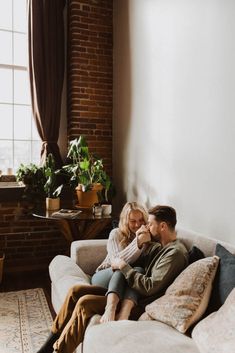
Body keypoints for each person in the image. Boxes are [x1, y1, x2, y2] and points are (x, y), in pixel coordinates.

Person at [37, 201, 150, 353]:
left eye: (141, 220)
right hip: (104, 277)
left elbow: (138, 270)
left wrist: (143, 242)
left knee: (79, 292)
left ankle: (58, 349)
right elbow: (117, 262)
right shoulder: (116, 234)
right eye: (133, 221)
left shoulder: (150, 239)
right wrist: (137, 243)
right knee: (118, 271)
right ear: (125, 220)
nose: (137, 225)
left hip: (125, 289)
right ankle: (49, 342)